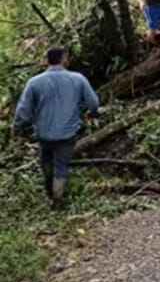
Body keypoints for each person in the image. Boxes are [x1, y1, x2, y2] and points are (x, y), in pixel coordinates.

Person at [12, 47, 100, 210]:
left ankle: (48, 188)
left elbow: (23, 109)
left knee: (45, 160)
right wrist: (92, 112)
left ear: (47, 61)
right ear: (64, 59)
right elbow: (93, 103)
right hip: (67, 133)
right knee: (61, 165)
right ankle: (57, 200)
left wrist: (17, 127)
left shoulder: (35, 82)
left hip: (43, 133)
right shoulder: (78, 79)